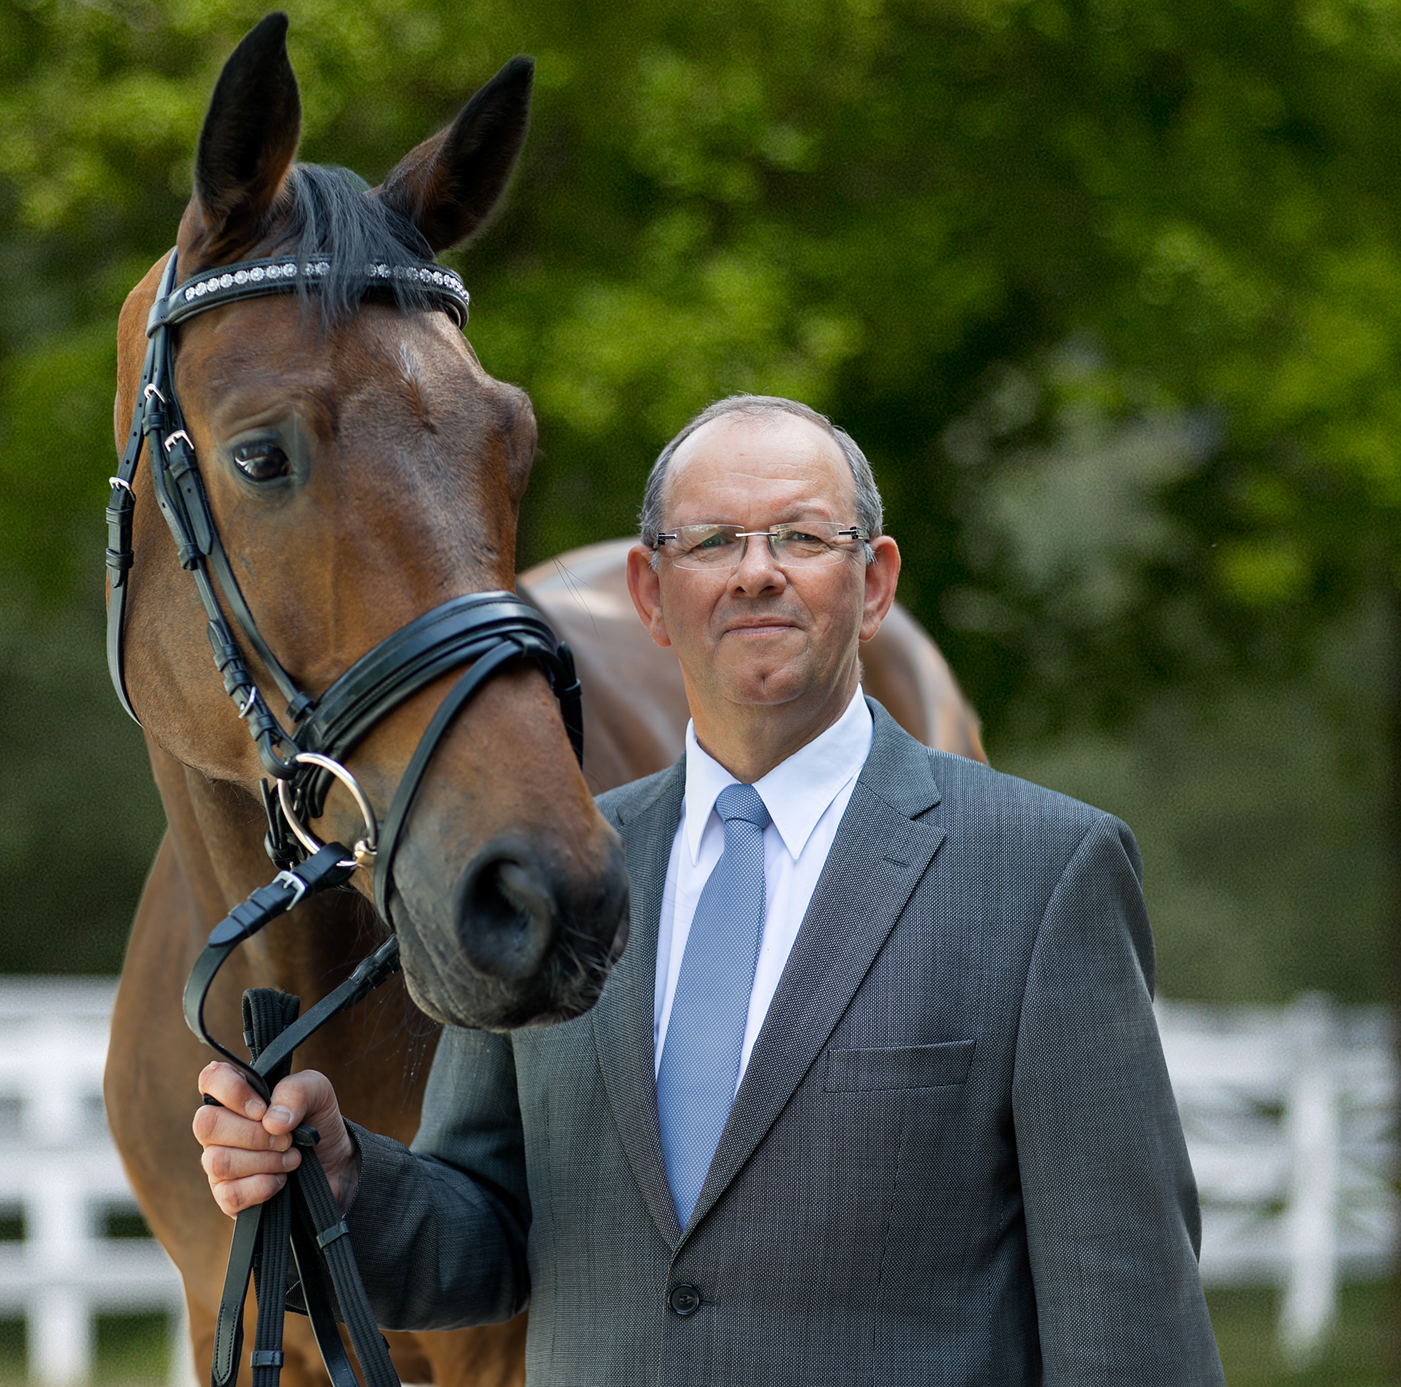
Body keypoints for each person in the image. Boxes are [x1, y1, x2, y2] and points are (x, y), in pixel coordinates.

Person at [196, 394, 1224, 1384]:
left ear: (873, 583)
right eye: (713, 542)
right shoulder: (567, 874)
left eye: (803, 538)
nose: (756, 573)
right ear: (650, 591)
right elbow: (488, 1231)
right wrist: (345, 1187)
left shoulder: (1043, 871)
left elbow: (1126, 1312)